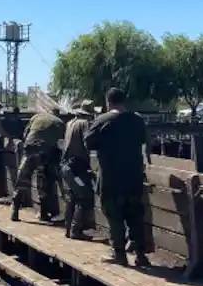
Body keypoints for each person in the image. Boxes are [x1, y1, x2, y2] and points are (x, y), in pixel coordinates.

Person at [85, 88, 152, 267]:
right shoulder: (138, 120)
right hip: (133, 178)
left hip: (110, 179)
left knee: (114, 216)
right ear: (124, 101)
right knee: (135, 216)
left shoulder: (102, 120)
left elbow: (89, 143)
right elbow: (146, 141)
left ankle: (119, 254)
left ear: (108, 102)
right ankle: (140, 255)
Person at [11, 110, 66, 222]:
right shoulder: (59, 122)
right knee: (43, 183)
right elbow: (61, 142)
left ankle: (15, 211)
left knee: (22, 181)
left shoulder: (36, 117)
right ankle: (43, 213)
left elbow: (25, 133)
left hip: (30, 149)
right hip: (45, 152)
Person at [60, 100, 96, 240]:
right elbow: (88, 143)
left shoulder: (70, 123)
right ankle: (76, 230)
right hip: (78, 168)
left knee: (72, 198)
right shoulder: (84, 124)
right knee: (85, 197)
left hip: (67, 166)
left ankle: (68, 228)